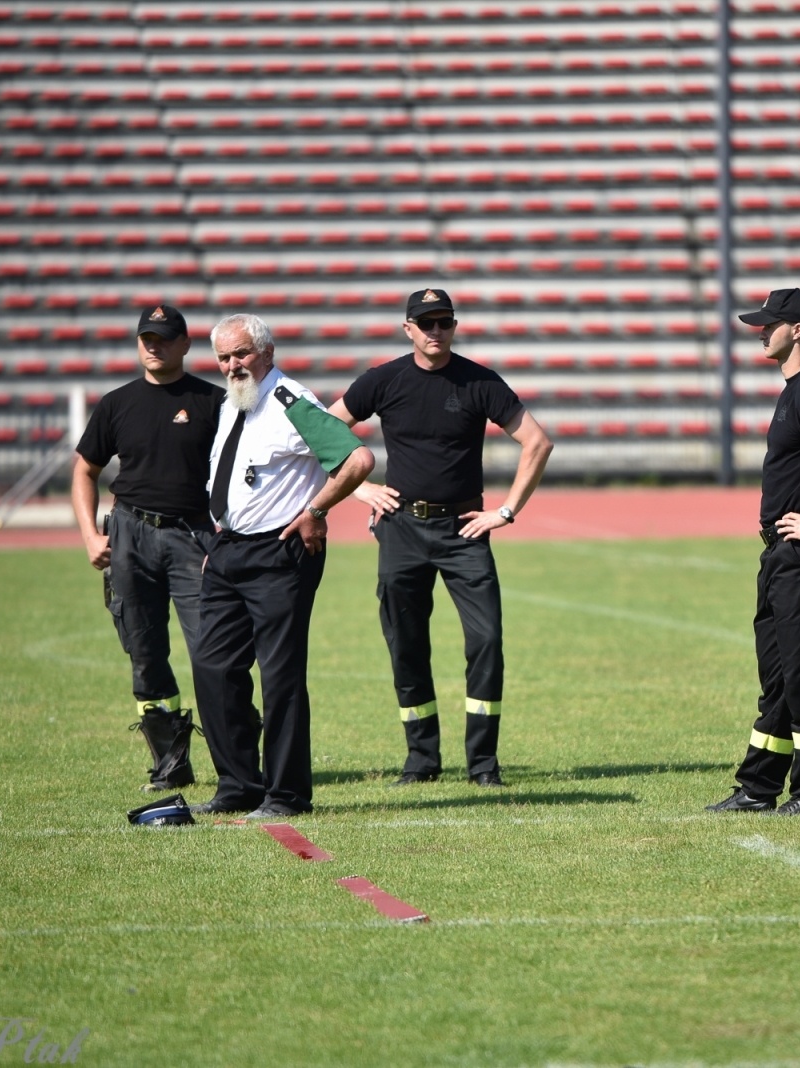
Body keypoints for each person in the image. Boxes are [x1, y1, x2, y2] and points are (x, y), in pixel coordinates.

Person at [327, 288, 553, 788]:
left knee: (487, 640)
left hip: (464, 530)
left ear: (454, 326)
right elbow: (320, 431)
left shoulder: (479, 381)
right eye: (425, 323)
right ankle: (420, 759)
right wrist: (360, 490)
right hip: (401, 528)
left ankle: (483, 763)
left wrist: (506, 511)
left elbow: (538, 442)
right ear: (407, 328)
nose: (435, 332)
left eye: (443, 323)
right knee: (406, 644)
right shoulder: (382, 380)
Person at [191, 313, 374, 818]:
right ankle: (238, 785)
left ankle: (287, 795)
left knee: (280, 675)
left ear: (266, 353)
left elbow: (357, 460)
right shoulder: (236, 403)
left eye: (241, 354)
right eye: (224, 357)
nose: (232, 365)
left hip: (279, 551)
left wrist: (316, 511)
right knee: (212, 665)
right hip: (229, 549)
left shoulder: (291, 401)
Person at [708, 288, 800, 816]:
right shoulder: (795, 388)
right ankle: (758, 787)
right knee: (778, 676)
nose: (760, 331)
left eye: (770, 324)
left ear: (798, 329)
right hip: (781, 555)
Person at [71, 306, 224, 792]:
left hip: (193, 537)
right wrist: (91, 537)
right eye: (146, 338)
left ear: (185, 344)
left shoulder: (215, 403)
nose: (153, 345)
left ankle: (235, 764)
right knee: (145, 653)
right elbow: (84, 471)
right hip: (130, 535)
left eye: (163, 337)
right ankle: (170, 762)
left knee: (213, 651)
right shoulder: (116, 403)